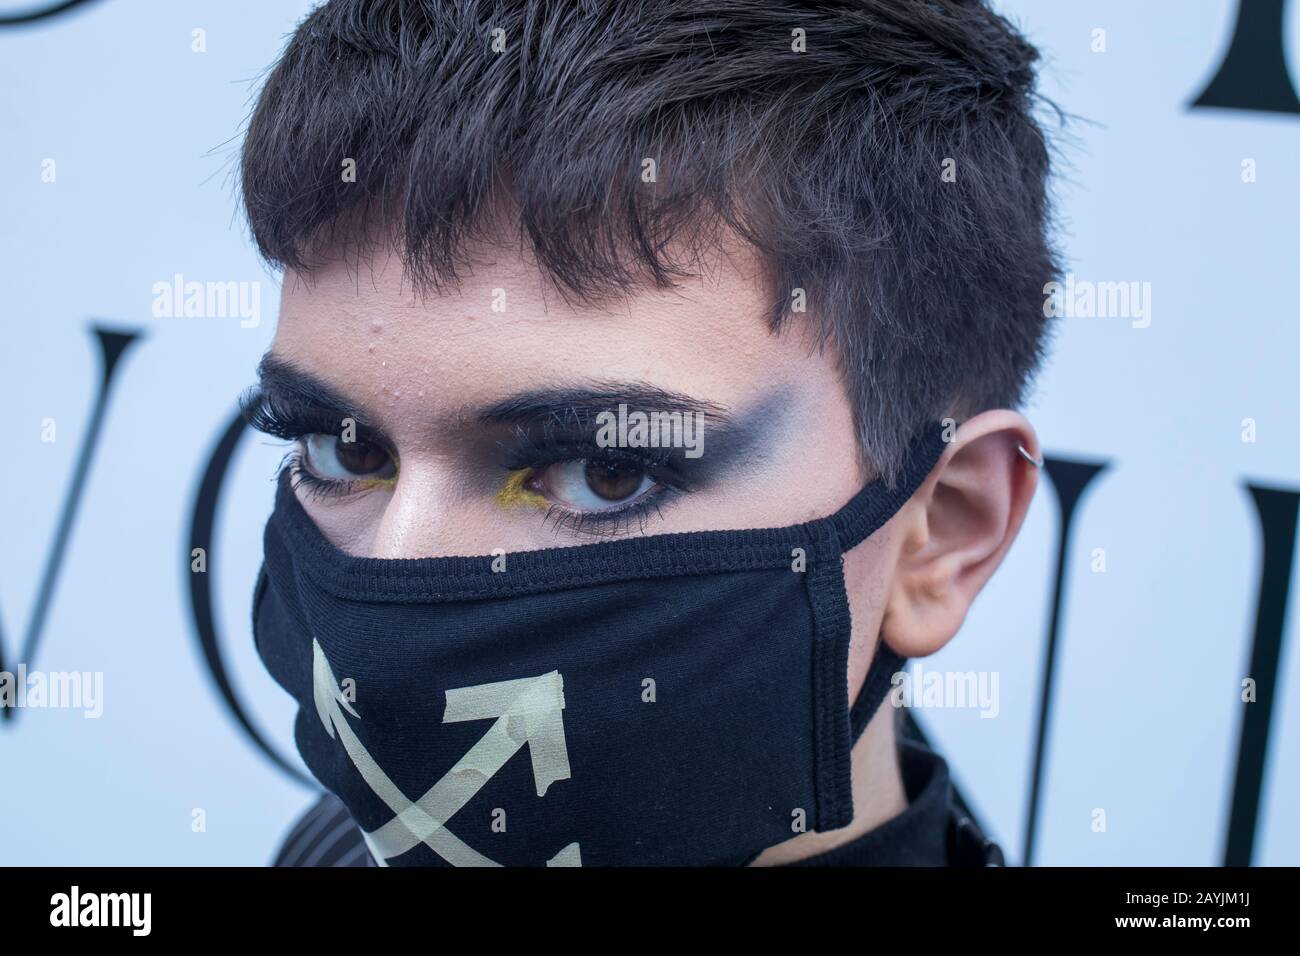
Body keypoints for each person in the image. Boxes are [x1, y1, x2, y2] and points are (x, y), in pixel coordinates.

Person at [239, 0, 1056, 867]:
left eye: (603, 472)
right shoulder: (330, 850)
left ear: (945, 533)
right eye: (348, 451)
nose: (390, 597)